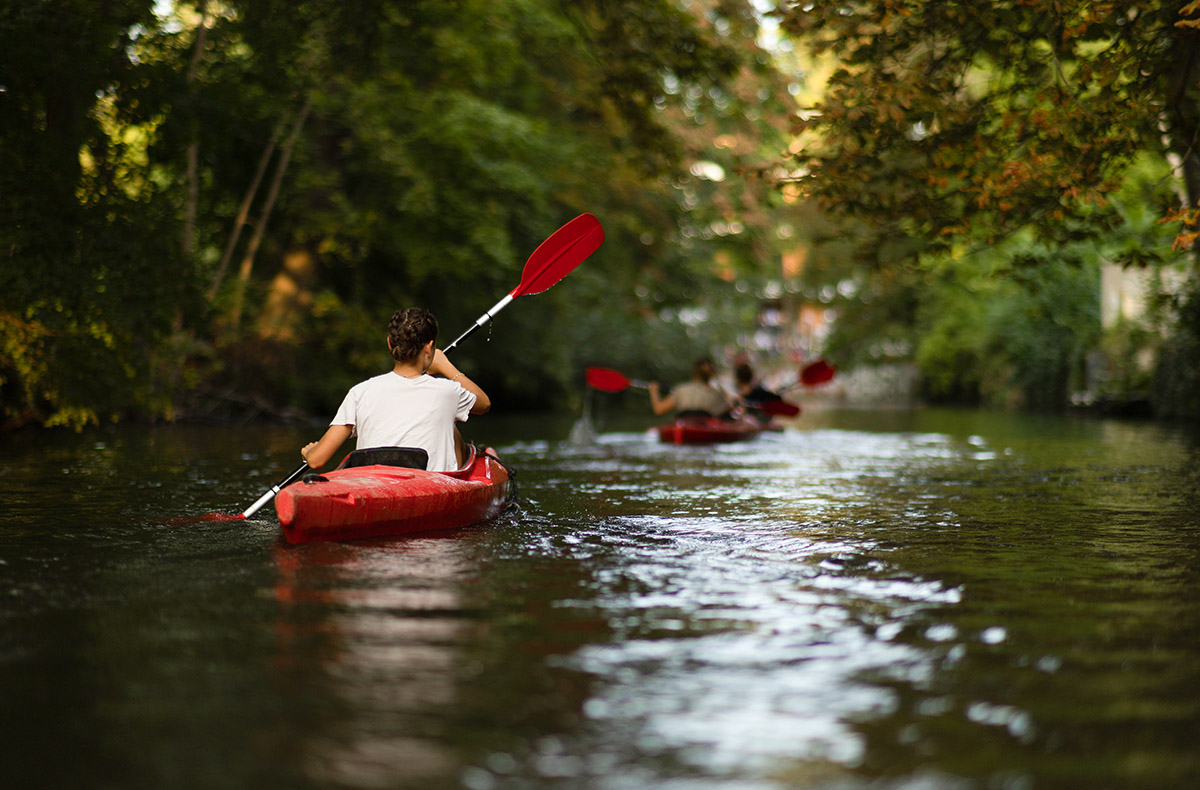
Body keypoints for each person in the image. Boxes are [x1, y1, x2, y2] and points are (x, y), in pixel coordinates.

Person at [300, 307, 490, 472]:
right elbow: (484, 403)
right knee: (452, 430)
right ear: (429, 347)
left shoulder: (360, 392)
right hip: (429, 488)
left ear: (389, 343)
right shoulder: (447, 392)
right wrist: (445, 365)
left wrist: (309, 452)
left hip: (373, 487)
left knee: (452, 430)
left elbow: (316, 460)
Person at [648, 356, 734, 418]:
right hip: (705, 431)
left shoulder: (681, 390)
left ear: (694, 373)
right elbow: (729, 410)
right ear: (712, 374)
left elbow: (658, 409)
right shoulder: (716, 394)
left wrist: (653, 391)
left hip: (685, 428)